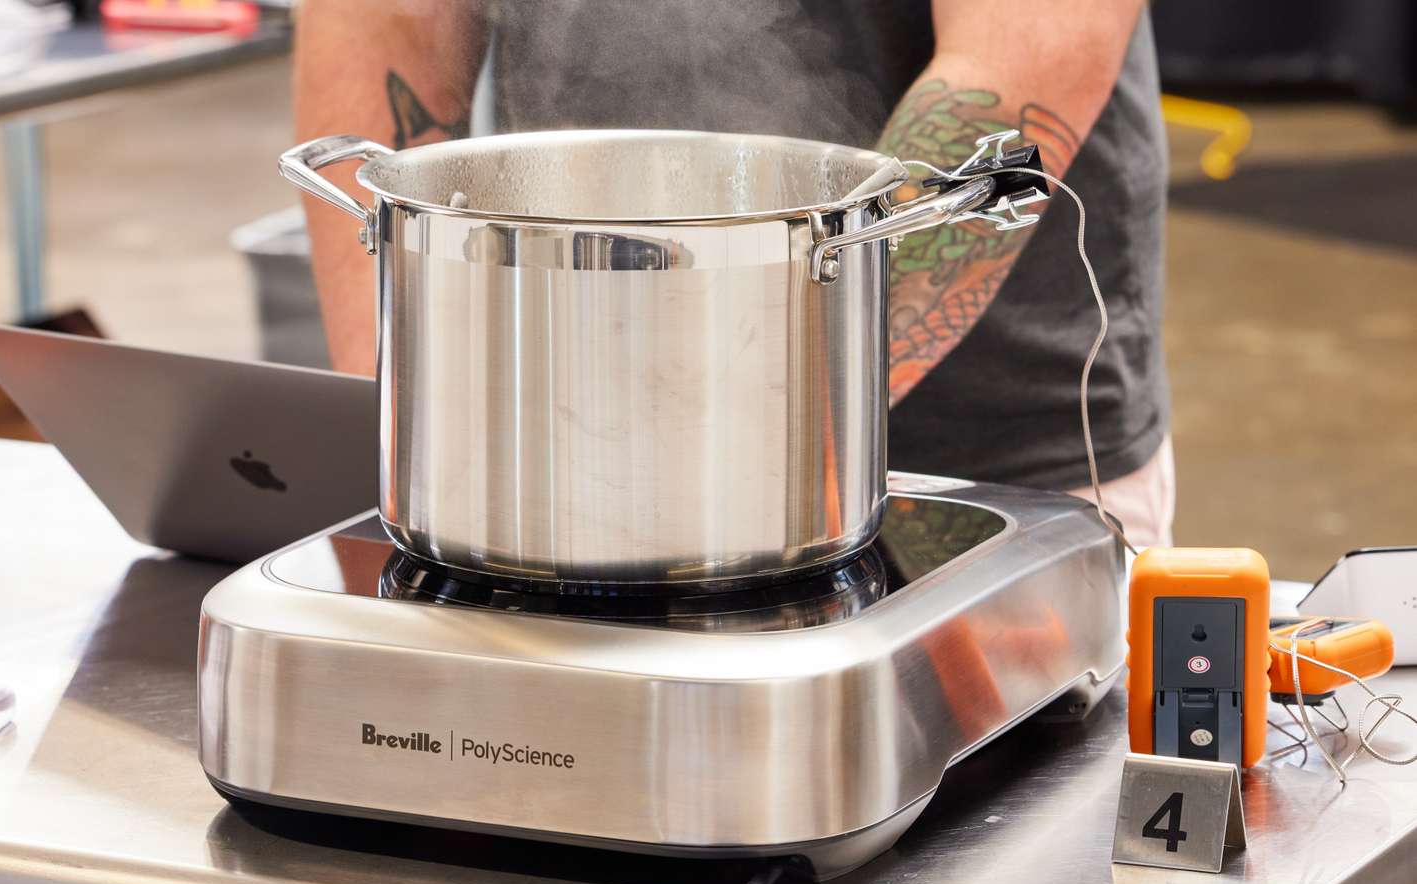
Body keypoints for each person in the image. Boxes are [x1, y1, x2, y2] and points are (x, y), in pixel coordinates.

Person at [294, 0, 1173, 547]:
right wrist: (402, 428)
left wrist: (711, 451)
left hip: (992, 467)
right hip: (538, 467)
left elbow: (1019, 62)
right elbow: (385, 20)